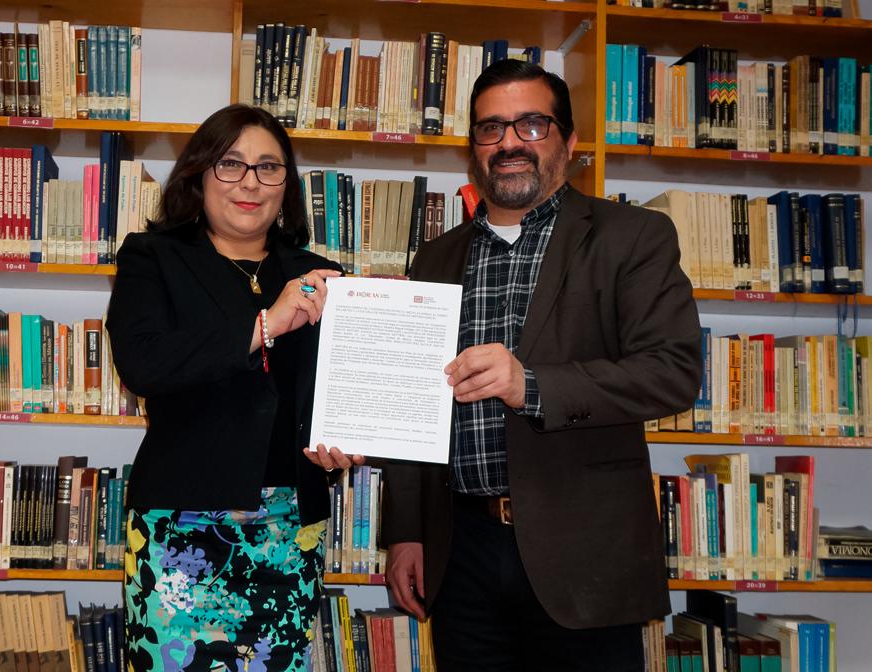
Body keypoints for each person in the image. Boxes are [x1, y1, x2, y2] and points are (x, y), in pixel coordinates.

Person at [378, 60, 702, 670]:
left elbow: (673, 371)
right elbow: (410, 409)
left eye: (530, 124)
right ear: (473, 145)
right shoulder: (436, 258)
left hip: (584, 552)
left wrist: (529, 385)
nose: (508, 143)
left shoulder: (631, 237)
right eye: (490, 128)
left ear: (569, 141)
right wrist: (405, 531)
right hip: (461, 550)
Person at [106, 103, 361, 671]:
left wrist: (347, 440)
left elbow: (337, 394)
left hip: (290, 530)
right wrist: (265, 324)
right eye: (232, 164)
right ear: (199, 173)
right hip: (182, 528)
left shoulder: (321, 275)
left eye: (269, 167)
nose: (250, 182)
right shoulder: (153, 259)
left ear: (286, 186)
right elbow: (144, 364)